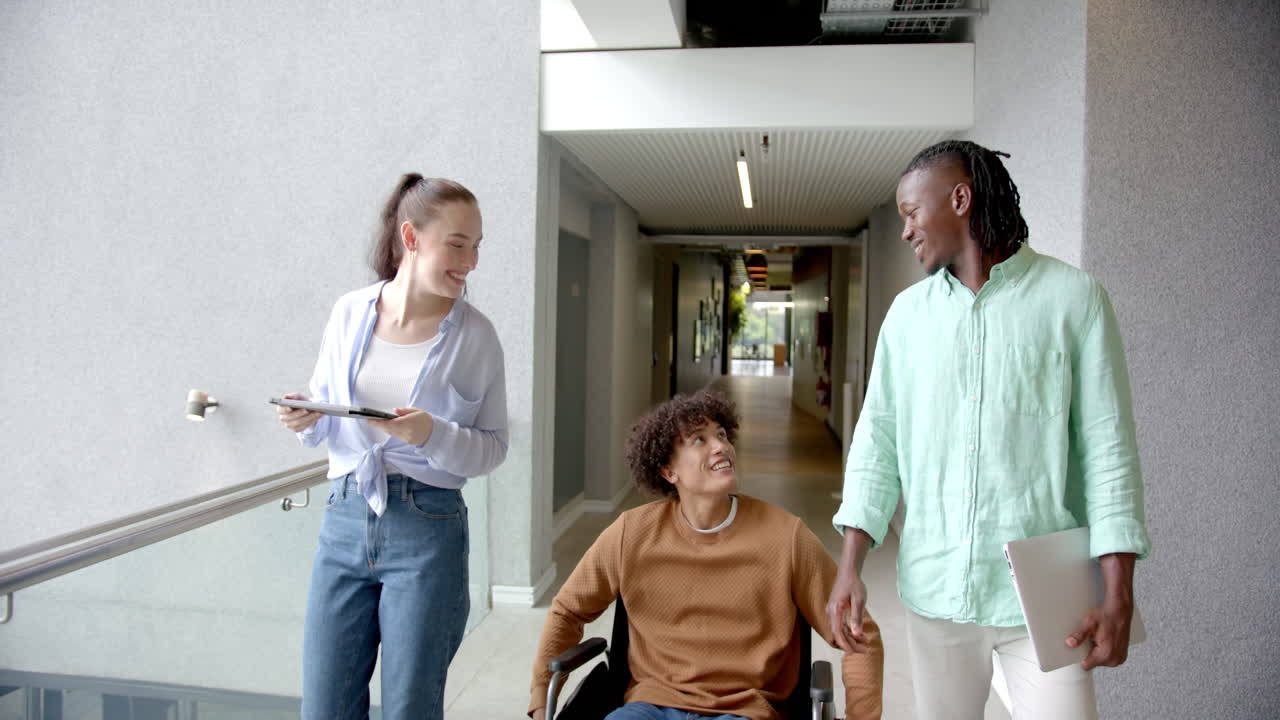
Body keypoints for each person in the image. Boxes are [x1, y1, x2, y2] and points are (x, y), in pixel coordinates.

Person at [826, 140, 1151, 719]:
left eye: (911, 212)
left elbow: (1109, 451)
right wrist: (849, 564)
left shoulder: (1075, 301)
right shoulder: (907, 317)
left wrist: (1118, 589)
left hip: (1049, 599)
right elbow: (877, 443)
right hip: (937, 590)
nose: (905, 231)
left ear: (959, 198)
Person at [276, 174, 508, 720]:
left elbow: (493, 449)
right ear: (411, 237)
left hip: (428, 529)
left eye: (476, 246)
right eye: (457, 244)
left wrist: (431, 433)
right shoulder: (349, 313)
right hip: (344, 518)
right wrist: (307, 417)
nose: (470, 261)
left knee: (409, 708)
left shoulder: (476, 336)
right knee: (325, 708)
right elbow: (329, 427)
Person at [529, 390, 884, 720]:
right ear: (669, 472)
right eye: (700, 440)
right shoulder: (632, 534)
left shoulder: (785, 537)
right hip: (651, 706)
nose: (720, 447)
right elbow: (568, 610)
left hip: (742, 710)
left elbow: (859, 630)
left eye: (722, 435)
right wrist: (539, 696)